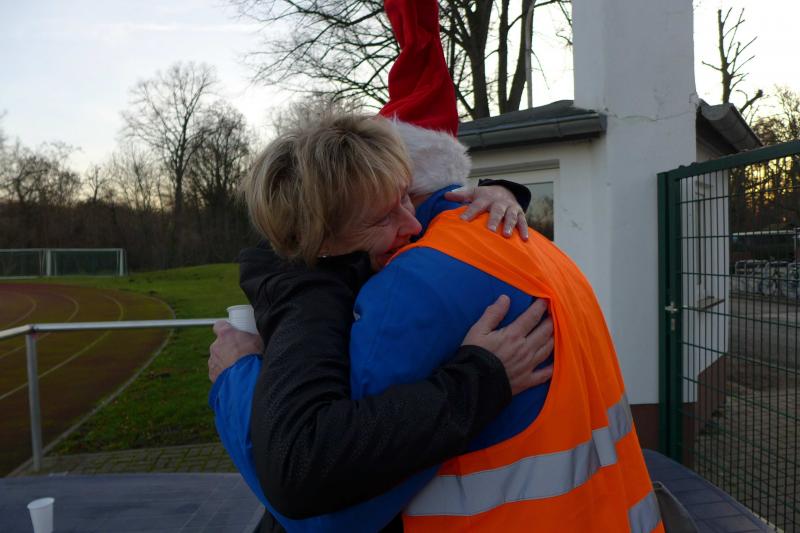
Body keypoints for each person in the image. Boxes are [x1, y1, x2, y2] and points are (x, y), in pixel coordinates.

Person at [210, 112, 554, 533]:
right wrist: (483, 379)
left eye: (405, 197)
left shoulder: (354, 253)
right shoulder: (310, 304)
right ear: (320, 239)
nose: (412, 224)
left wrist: (499, 192)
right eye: (382, 218)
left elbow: (417, 213)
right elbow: (299, 464)